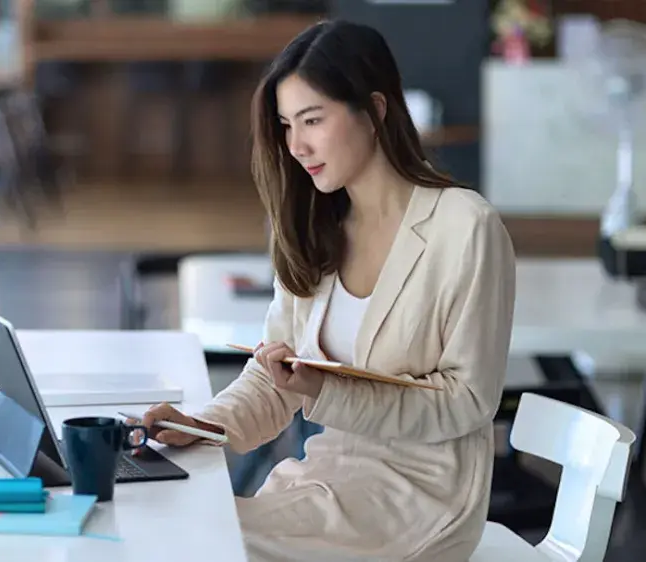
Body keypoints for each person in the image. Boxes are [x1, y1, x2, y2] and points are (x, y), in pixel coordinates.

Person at [136, 20, 516, 562]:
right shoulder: (315, 224)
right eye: (287, 125)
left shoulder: (466, 227)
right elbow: (274, 382)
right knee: (175, 523)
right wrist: (200, 426)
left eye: (313, 120)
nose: (296, 146)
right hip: (324, 481)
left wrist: (322, 390)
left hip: (423, 501)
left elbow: (470, 402)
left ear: (376, 109)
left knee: (212, 544)